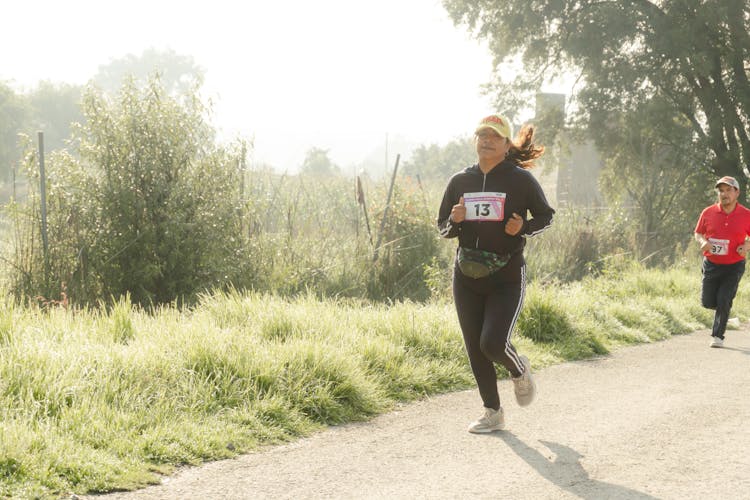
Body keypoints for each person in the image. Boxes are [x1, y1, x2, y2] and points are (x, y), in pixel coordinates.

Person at [437, 114, 555, 433]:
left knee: (492, 343)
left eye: (494, 136)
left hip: (505, 275)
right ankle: (493, 412)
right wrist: (456, 219)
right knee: (475, 347)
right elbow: (443, 228)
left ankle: (519, 370)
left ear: (506, 145)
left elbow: (546, 216)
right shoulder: (460, 181)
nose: (486, 140)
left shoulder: (520, 180)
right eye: (482, 135)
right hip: (466, 275)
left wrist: (524, 227)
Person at [694, 175, 750, 348]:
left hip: (734, 265)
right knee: (708, 302)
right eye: (721, 191)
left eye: (728, 190)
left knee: (724, 298)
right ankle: (724, 312)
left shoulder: (746, 214)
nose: (724, 194)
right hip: (711, 264)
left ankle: (718, 336)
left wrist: (746, 245)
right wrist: (703, 242)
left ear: (736, 193)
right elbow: (698, 233)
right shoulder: (708, 212)